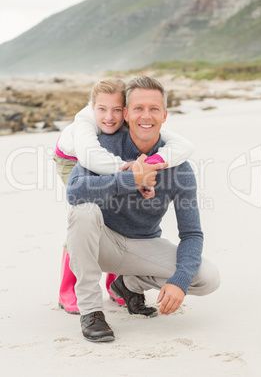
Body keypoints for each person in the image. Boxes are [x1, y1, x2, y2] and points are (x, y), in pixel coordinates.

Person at [66, 75, 220, 343]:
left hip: (143, 247)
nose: (145, 116)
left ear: (164, 115)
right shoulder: (103, 147)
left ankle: (127, 284)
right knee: (83, 212)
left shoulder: (179, 167)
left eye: (153, 109)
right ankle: (91, 311)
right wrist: (130, 180)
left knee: (207, 278)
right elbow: (74, 191)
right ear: (126, 114)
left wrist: (179, 280)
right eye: (138, 108)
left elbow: (192, 233)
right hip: (105, 244)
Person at [54, 78, 195, 314]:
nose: (109, 117)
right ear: (92, 107)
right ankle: (68, 289)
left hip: (115, 162)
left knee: (118, 209)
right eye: (102, 109)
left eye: (117, 110)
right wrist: (134, 174)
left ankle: (116, 284)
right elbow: (91, 159)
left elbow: (183, 144)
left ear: (126, 111)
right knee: (86, 212)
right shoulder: (86, 124)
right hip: (72, 160)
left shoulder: (131, 121)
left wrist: (149, 164)